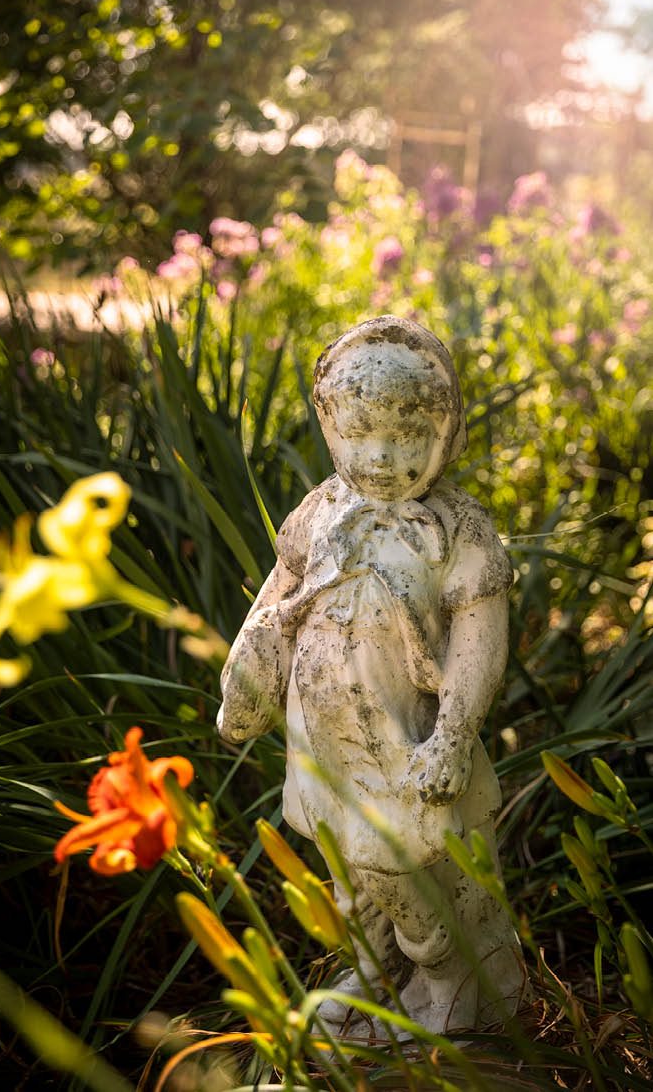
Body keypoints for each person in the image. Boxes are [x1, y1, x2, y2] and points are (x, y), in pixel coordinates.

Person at [218, 315, 527, 1033]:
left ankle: (451, 979)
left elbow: (479, 641)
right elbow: (278, 596)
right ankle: (378, 967)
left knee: (407, 871)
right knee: (347, 872)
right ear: (329, 425)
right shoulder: (321, 509)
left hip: (407, 742)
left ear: (445, 431)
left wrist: (453, 735)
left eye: (408, 438)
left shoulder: (460, 529)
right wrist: (248, 675)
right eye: (358, 437)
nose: (381, 457)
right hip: (322, 739)